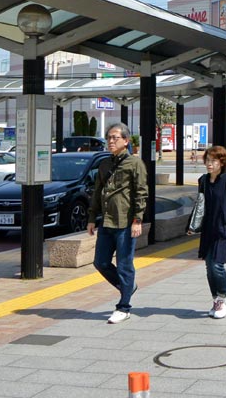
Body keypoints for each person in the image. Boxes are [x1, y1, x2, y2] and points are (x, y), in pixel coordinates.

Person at [87, 122, 148, 324]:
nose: (111, 141)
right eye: (109, 138)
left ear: (126, 141)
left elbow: (141, 193)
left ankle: (124, 306)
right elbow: (97, 193)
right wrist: (91, 218)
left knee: (124, 265)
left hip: (125, 222)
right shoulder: (104, 164)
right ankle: (128, 287)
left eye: (115, 138)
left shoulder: (134, 164)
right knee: (100, 262)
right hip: (106, 222)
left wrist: (137, 220)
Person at [191, 145, 226, 319]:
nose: (209, 164)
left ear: (222, 163)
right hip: (208, 230)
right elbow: (200, 206)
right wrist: (192, 225)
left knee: (216, 265)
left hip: (225, 229)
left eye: (213, 161)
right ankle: (216, 299)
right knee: (209, 267)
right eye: (207, 160)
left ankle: (223, 297)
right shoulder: (203, 181)